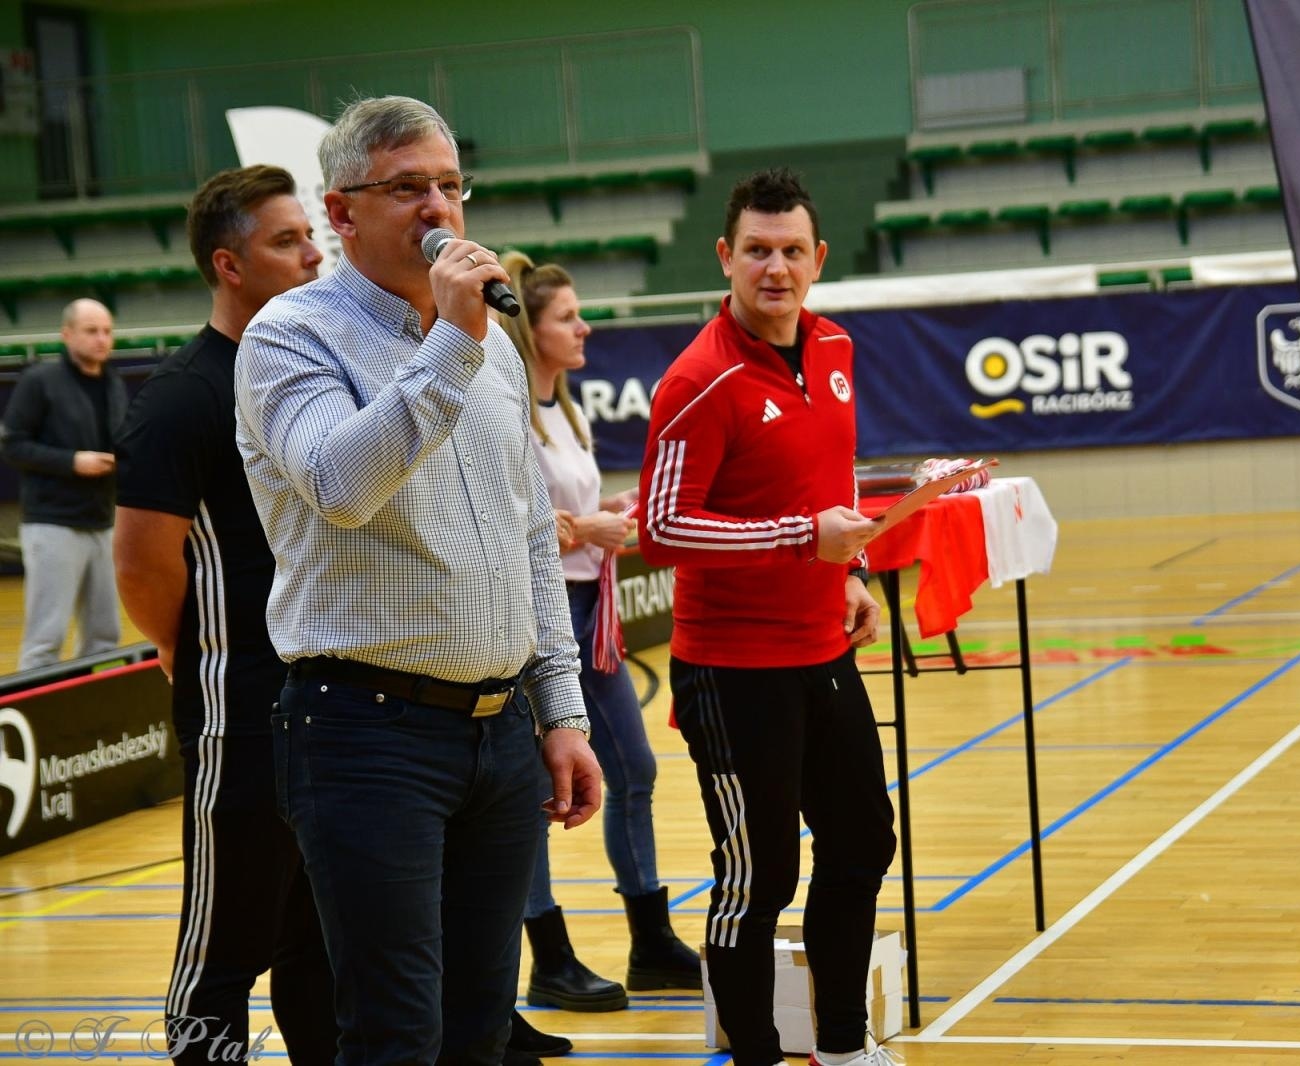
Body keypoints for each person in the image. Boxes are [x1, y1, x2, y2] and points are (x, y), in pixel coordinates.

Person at [233, 95, 602, 1066]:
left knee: (480, 1030)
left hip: (498, 731)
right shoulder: (290, 336)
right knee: (396, 1031)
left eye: (448, 184)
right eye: (406, 187)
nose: (437, 206)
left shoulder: (490, 355)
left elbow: (530, 538)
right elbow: (341, 485)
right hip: (366, 733)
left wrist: (560, 712)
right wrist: (450, 341)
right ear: (341, 213)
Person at [636, 168, 899, 1066]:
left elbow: (834, 475)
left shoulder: (834, 349)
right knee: (760, 876)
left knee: (864, 838)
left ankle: (841, 1045)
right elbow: (662, 528)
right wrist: (803, 539)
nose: (775, 268)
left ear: (818, 258)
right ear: (726, 257)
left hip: (822, 649)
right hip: (732, 671)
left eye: (791, 251)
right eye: (757, 251)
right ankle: (752, 1054)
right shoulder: (696, 382)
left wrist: (852, 569)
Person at [113, 165, 338, 1065]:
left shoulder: (314, 375)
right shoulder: (182, 398)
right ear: (228, 263)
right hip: (240, 720)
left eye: (311, 234)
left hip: (336, 709)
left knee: (320, 951)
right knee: (220, 955)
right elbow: (140, 565)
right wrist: (196, 654)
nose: (313, 254)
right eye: (287, 241)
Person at [496, 253, 701, 1015]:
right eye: (567, 317)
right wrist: (590, 526)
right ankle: (550, 958)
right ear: (532, 329)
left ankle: (651, 942)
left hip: (594, 617)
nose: (583, 326)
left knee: (636, 769)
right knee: (529, 797)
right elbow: (518, 528)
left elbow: (566, 518)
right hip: (537, 623)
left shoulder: (566, 407)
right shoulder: (509, 409)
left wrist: (607, 511)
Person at [1, 298, 124, 670]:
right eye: (91, 331)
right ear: (66, 334)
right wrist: (72, 462)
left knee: (105, 636)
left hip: (102, 523)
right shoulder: (40, 380)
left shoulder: (113, 383)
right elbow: (13, 444)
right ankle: (36, 721)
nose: (101, 339)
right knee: (46, 638)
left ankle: (92, 721)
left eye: (106, 331)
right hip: (53, 524)